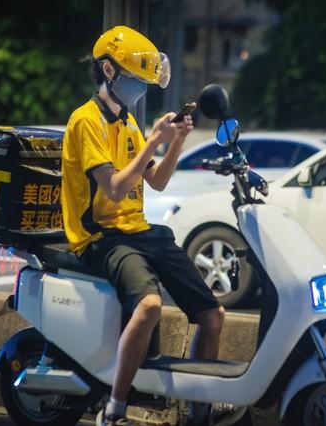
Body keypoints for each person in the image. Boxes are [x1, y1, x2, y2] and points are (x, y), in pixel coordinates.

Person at [61, 26, 226, 426]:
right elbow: (114, 189)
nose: (143, 88)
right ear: (110, 71)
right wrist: (154, 142)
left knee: (214, 315)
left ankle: (199, 409)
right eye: (138, 79)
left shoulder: (129, 123)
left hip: (139, 231)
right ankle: (114, 407)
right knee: (150, 306)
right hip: (101, 236)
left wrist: (177, 142)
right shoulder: (86, 122)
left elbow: (157, 181)